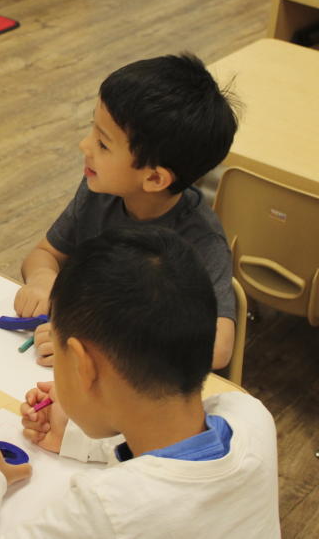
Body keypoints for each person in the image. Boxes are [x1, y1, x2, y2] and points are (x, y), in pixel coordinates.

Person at [0, 227, 280, 538]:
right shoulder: (250, 416)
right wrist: (76, 437)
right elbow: (169, 447)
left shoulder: (106, 508)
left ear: (81, 364)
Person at [13, 54, 239, 369]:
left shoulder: (201, 241)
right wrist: (42, 279)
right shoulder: (100, 191)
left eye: (103, 144)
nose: (84, 145)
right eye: (93, 130)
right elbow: (45, 252)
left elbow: (218, 348)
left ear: (155, 178)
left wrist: (99, 341)